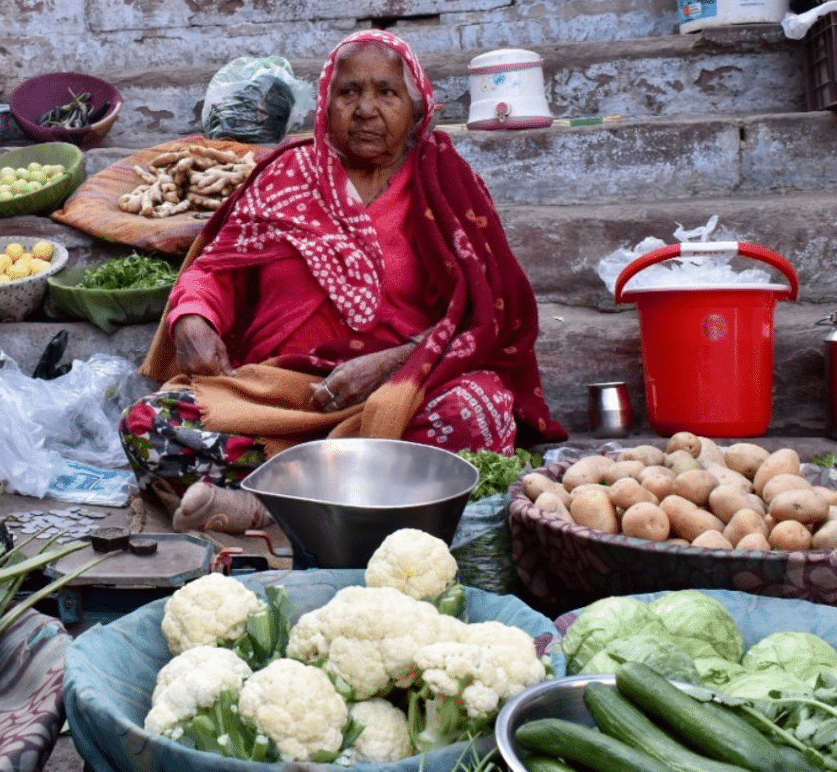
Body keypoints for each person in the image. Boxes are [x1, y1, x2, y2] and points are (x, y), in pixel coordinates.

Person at [119, 29, 567, 533]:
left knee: (476, 412)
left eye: (387, 93)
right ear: (325, 103)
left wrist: (393, 364)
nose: (366, 109)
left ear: (417, 110)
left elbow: (487, 316)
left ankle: (272, 505)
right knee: (150, 426)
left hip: (398, 401)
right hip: (279, 400)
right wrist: (194, 317)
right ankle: (321, 502)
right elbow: (215, 272)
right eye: (349, 92)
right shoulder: (287, 176)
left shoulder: (446, 183)